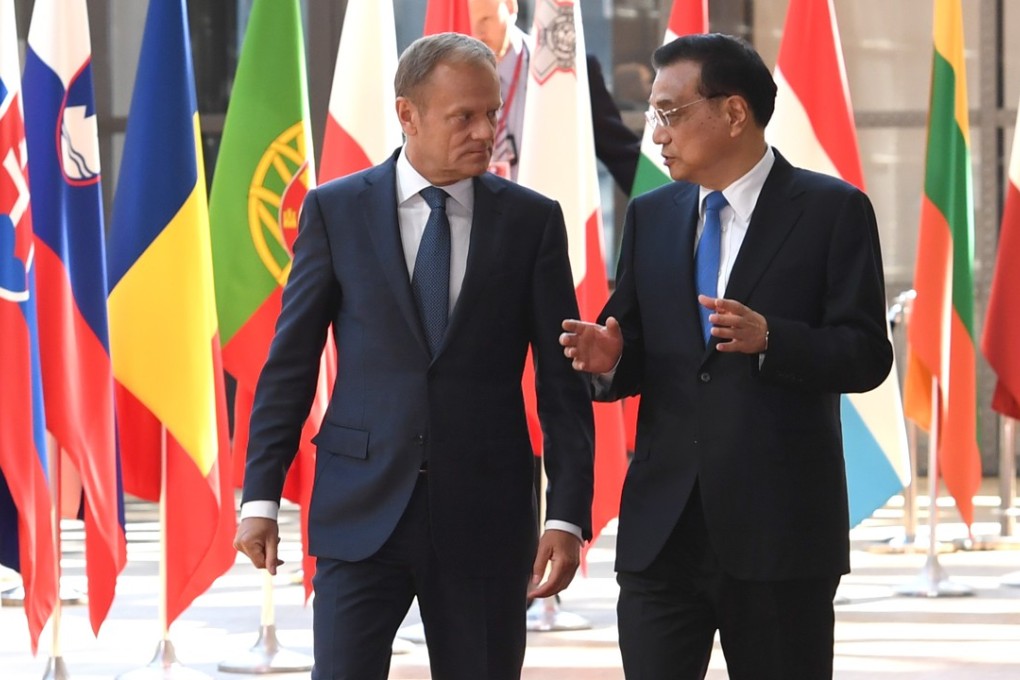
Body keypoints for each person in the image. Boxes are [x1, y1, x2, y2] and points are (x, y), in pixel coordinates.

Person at [234, 33, 595, 680]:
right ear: (409, 115)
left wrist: (567, 512)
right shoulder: (334, 211)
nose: (486, 130)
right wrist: (259, 494)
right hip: (359, 506)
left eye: (492, 113)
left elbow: (561, 382)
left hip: (487, 513)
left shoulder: (532, 222)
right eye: (465, 116)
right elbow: (290, 363)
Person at [559, 33, 892, 679]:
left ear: (734, 112)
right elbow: (635, 346)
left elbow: (866, 355)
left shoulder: (832, 210)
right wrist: (609, 360)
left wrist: (775, 339)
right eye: (651, 113)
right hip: (662, 533)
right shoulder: (652, 214)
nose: (655, 132)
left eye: (670, 112)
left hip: (779, 533)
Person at [467, 0, 640, 192]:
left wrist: (673, 204)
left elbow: (622, 154)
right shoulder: (447, 77)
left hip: (547, 211)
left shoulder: (567, 73)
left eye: (486, 19)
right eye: (468, 21)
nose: (477, 32)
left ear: (510, 6)